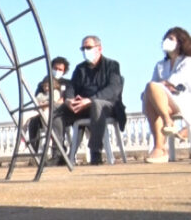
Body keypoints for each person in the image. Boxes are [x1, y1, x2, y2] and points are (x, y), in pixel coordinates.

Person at [52, 36, 126, 165]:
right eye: (83, 48)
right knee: (56, 110)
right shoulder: (80, 69)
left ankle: (95, 152)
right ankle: (58, 155)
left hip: (107, 105)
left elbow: (113, 89)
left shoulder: (112, 65)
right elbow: (72, 87)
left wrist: (90, 100)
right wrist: (69, 100)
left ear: (99, 49)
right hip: (82, 106)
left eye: (89, 48)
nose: (85, 50)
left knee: (96, 105)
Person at [142, 27, 191, 164]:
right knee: (149, 94)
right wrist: (159, 87)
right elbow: (156, 84)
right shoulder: (160, 65)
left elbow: (176, 81)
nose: (166, 42)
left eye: (171, 39)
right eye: (165, 39)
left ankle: (166, 124)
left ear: (181, 42)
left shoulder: (187, 61)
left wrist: (162, 85)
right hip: (165, 101)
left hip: (183, 99)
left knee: (151, 88)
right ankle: (160, 148)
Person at [28, 56, 71, 154]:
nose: (57, 71)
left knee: (57, 120)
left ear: (64, 71)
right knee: (33, 122)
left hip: (59, 113)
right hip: (42, 112)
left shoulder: (68, 83)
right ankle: (34, 153)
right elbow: (36, 99)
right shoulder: (42, 83)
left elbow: (66, 98)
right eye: (55, 68)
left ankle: (58, 152)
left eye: (60, 69)